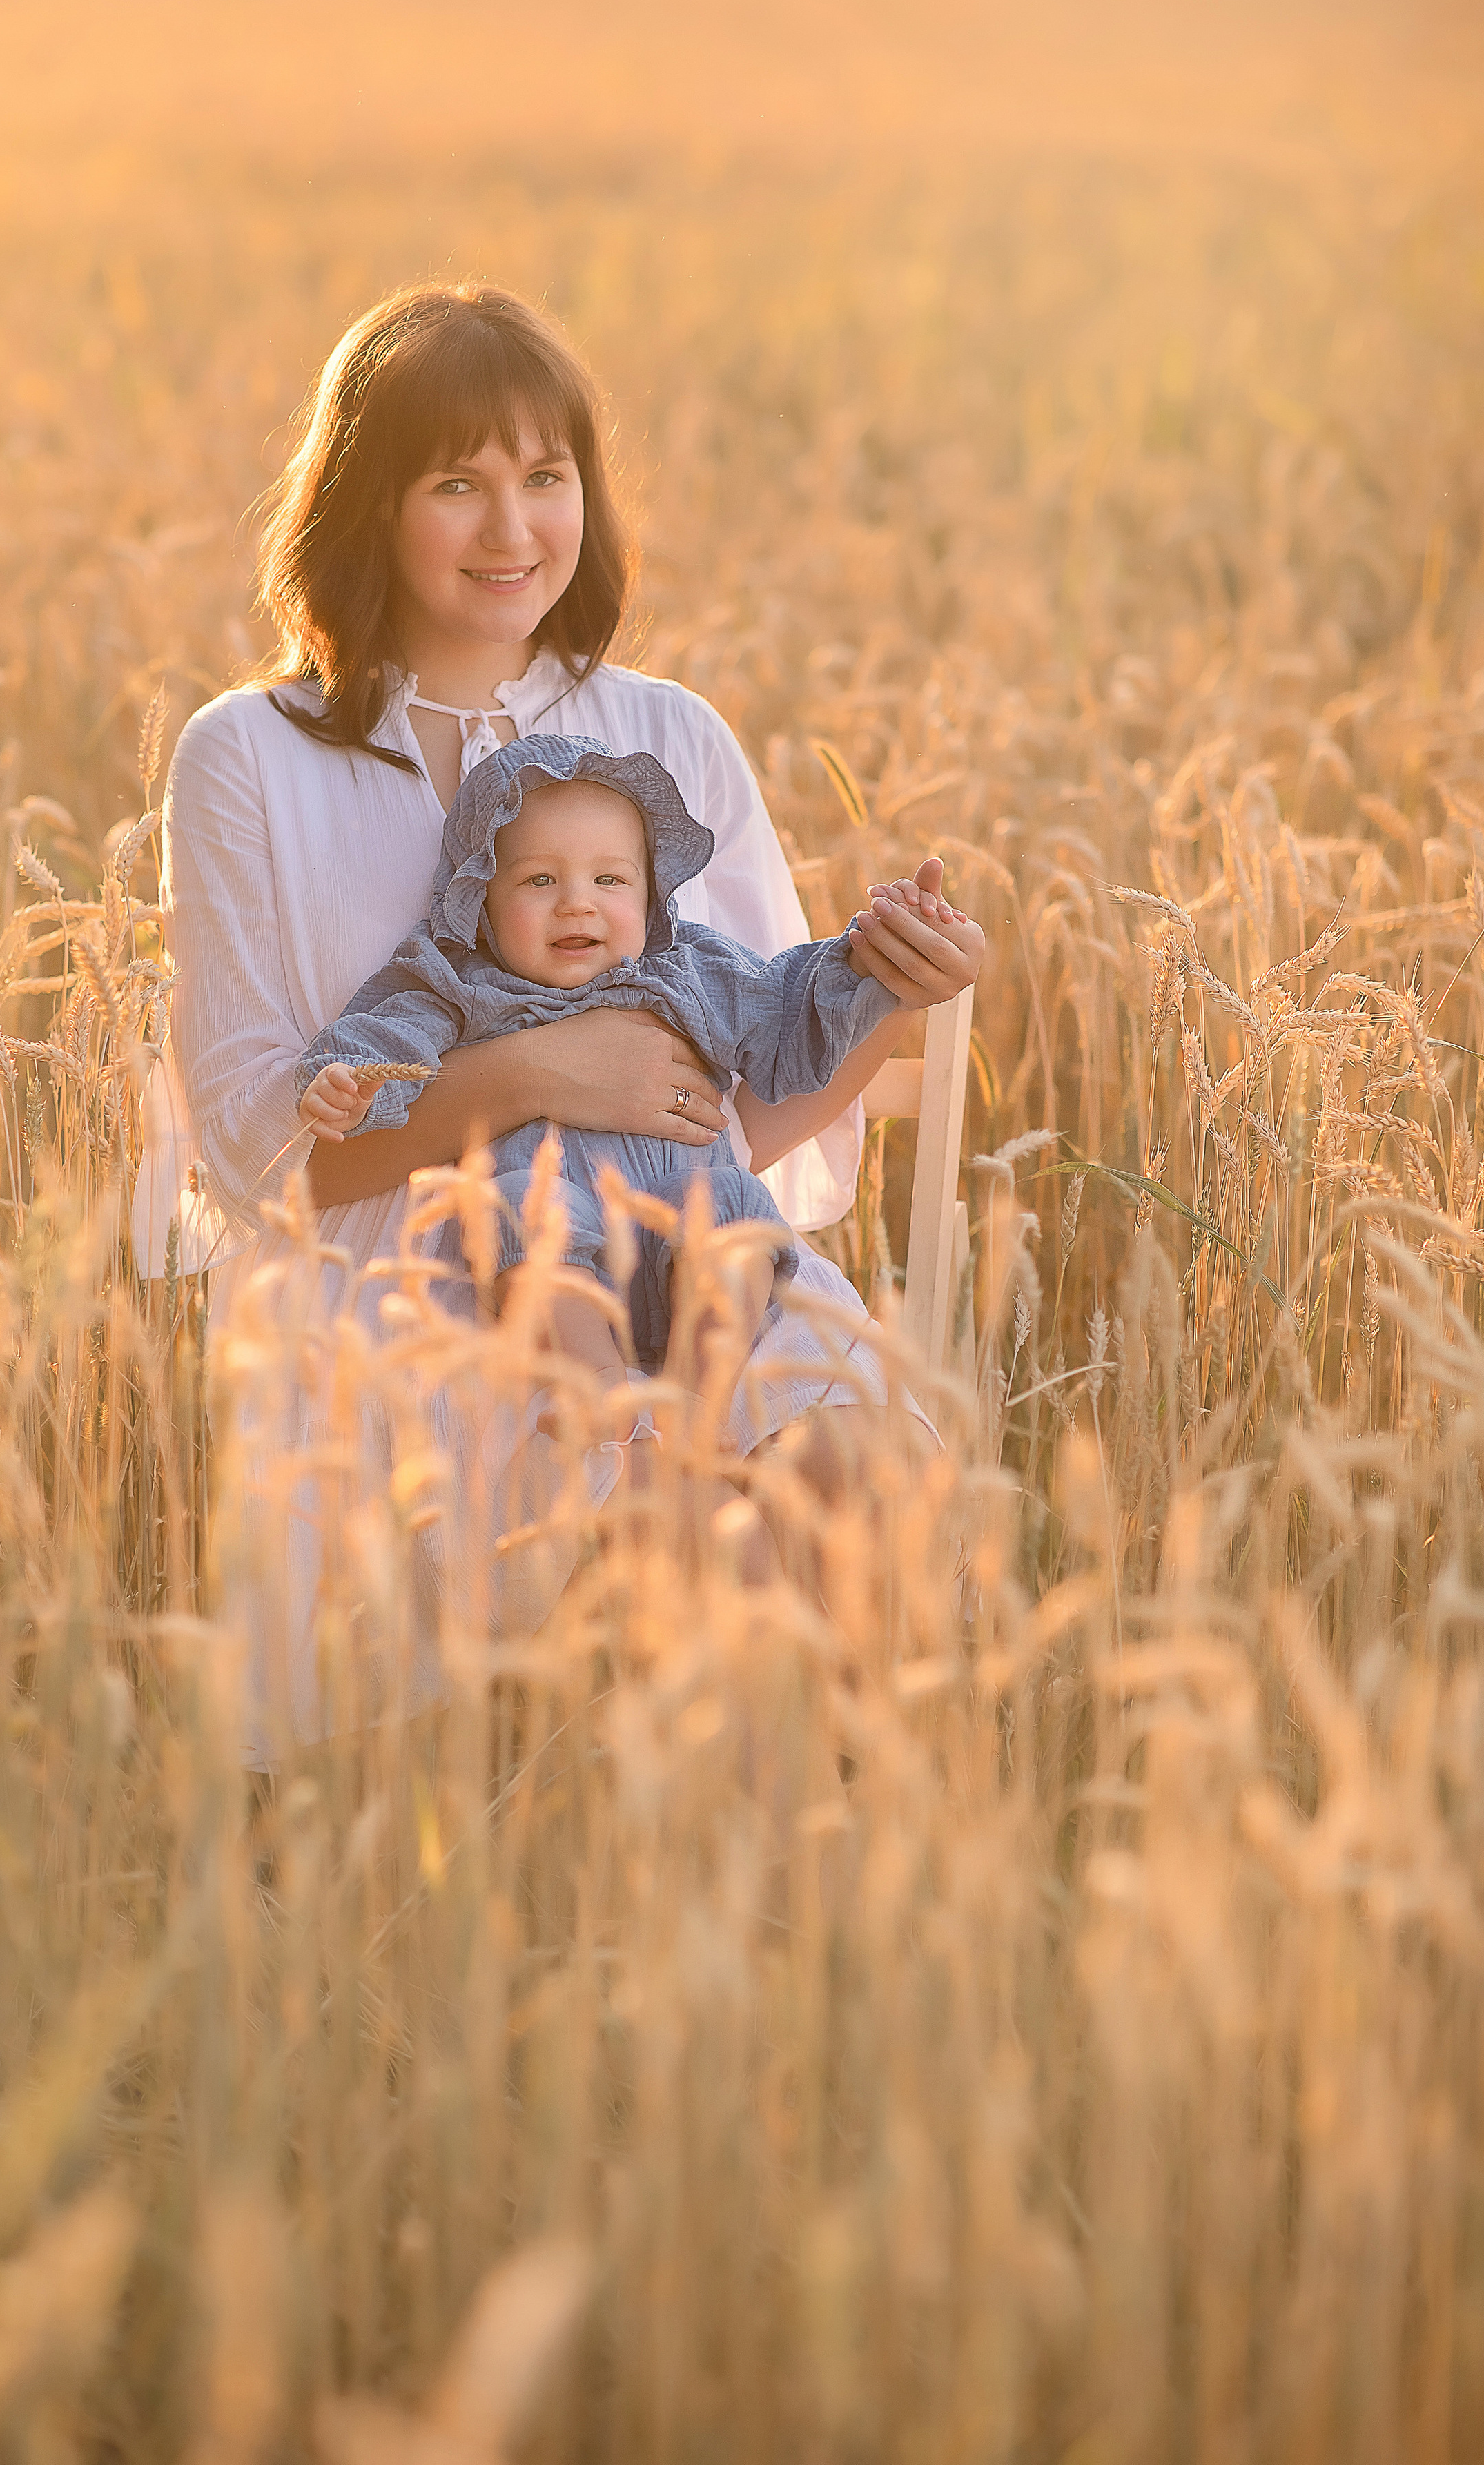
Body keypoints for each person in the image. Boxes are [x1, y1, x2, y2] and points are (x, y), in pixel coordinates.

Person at [136, 281, 984, 1757]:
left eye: (545, 478)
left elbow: (740, 1095)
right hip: (392, 1296)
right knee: (654, 1506)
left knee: (849, 1471)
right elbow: (262, 1161)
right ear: (365, 505)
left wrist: (884, 1005)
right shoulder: (250, 762)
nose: (511, 529)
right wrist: (529, 1071)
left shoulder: (668, 734)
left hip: (692, 1259)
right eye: (454, 483)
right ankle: (598, 1905)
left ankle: (805, 1924)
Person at [296, 732, 981, 1389]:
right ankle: (595, 1390)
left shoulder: (689, 970)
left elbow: (786, 1005)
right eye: (539, 879)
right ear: (479, 900)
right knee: (517, 1211)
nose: (576, 903)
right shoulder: (464, 985)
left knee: (732, 1206)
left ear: (651, 895)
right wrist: (350, 1084)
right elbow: (389, 1037)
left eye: (609, 878)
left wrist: (871, 958)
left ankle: (701, 1390)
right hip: (556, 1233)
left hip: (685, 1222)